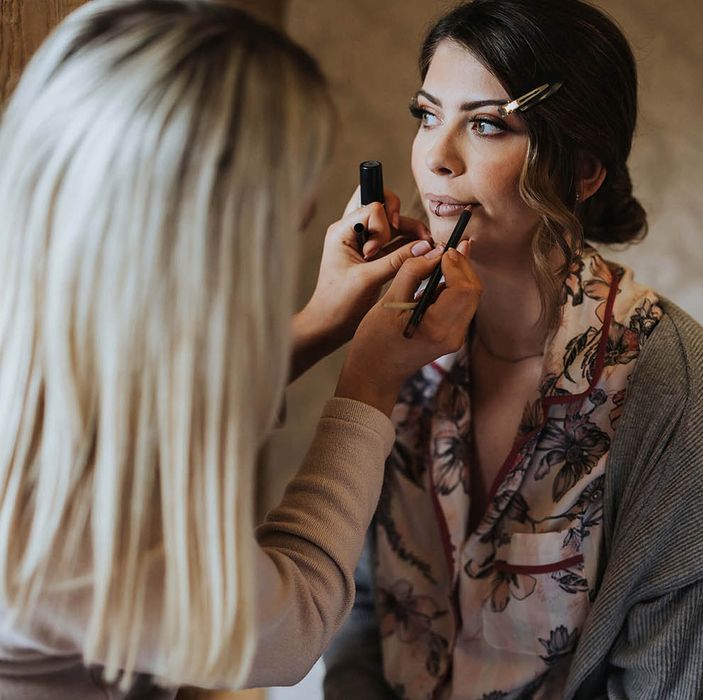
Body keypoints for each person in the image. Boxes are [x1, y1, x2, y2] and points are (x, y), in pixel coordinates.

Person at [0, 1, 483, 698]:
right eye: (283, 201)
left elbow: (136, 410)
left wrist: (319, 323)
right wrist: (369, 383)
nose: (305, 214)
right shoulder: (65, 510)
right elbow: (290, 630)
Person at [322, 1, 703, 698]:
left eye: (488, 124)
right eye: (427, 114)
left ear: (584, 169)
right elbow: (363, 616)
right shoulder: (402, 349)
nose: (436, 157)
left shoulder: (680, 395)